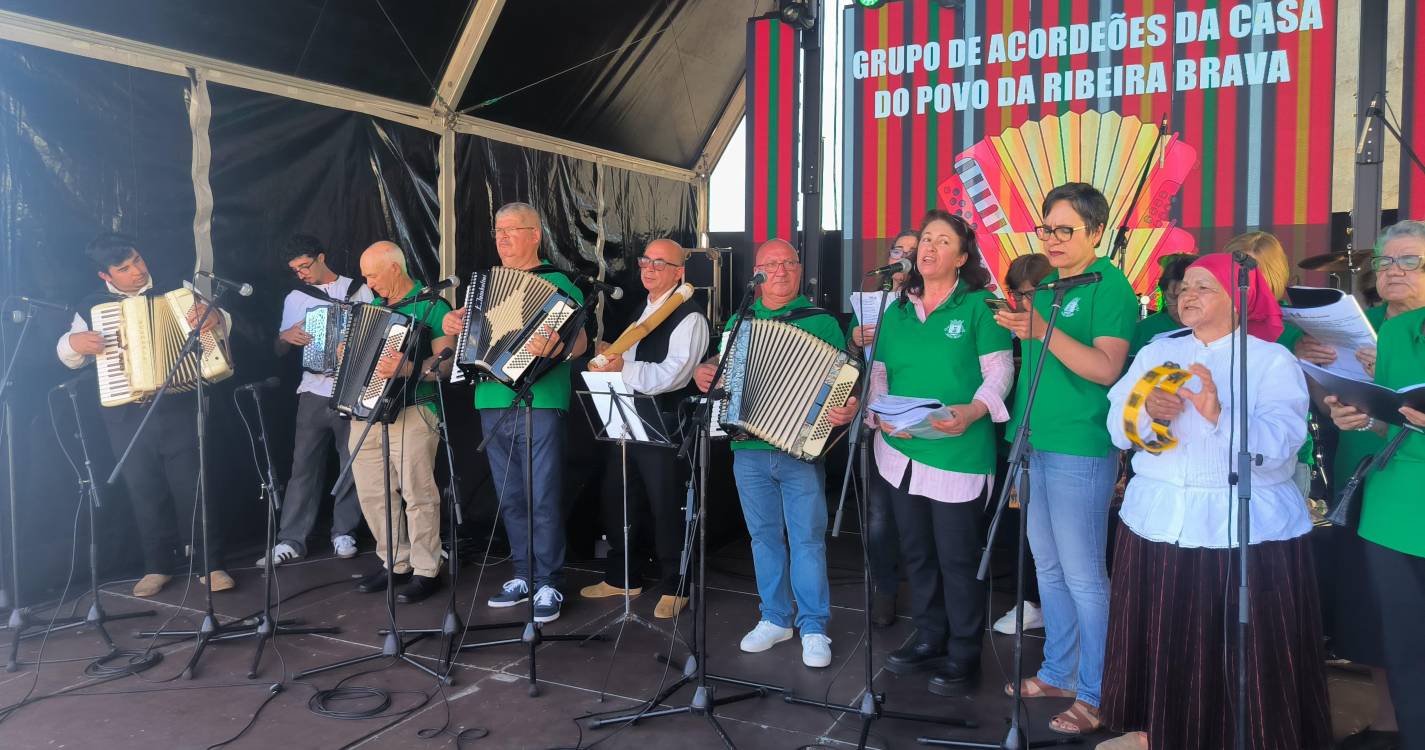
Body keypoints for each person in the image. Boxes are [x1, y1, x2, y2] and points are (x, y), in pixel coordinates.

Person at [1098, 254, 1331, 750]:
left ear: (1239, 298)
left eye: (1204, 287)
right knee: (1165, 638)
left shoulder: (1270, 360)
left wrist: (1217, 412)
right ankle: (1160, 733)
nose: (1187, 295)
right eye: (1185, 286)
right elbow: (1118, 427)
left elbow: (1280, 445)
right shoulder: (1157, 352)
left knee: (1239, 648)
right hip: (1159, 518)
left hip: (1242, 526)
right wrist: (1147, 413)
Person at [992, 182, 1138, 736]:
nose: (1050, 239)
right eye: (1045, 228)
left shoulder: (1111, 287)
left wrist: (1041, 329)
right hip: (1034, 441)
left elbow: (1106, 369)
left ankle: (1098, 692)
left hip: (1080, 445)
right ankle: (1060, 670)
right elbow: (1037, 367)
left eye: (1063, 229)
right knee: (1047, 568)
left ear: (1096, 232)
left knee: (1083, 576)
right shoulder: (1048, 285)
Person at [865, 210, 1012, 694]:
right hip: (900, 450)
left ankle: (965, 650)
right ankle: (929, 636)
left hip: (958, 451)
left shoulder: (978, 305)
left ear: (962, 256)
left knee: (956, 557)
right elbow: (880, 371)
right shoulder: (897, 308)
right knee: (917, 553)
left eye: (942, 241)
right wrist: (880, 414)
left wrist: (973, 410)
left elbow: (999, 372)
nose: (928, 248)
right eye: (924, 239)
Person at [692, 238, 846, 669]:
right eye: (770, 265)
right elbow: (722, 384)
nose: (780, 271)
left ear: (799, 270)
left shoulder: (821, 323)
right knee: (763, 539)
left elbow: (843, 382)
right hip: (749, 448)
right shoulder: (739, 324)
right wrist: (706, 373)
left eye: (788, 263)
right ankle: (776, 618)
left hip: (799, 448)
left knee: (807, 541)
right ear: (756, 274)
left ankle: (813, 626)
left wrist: (844, 406)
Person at [56, 232, 234, 597]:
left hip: (179, 404)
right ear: (106, 277)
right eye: (124, 268)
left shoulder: (175, 289)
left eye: (137, 260)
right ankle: (157, 566)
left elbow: (221, 322)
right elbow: (67, 353)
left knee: (193, 486)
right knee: (144, 488)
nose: (137, 270)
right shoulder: (92, 306)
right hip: (127, 413)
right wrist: (74, 344)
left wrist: (216, 317)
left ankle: (209, 563)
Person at [443, 202, 588, 624]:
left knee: (542, 495)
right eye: (498, 231)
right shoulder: (486, 285)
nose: (502, 238)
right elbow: (471, 340)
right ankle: (524, 574)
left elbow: (581, 344)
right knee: (510, 497)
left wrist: (558, 347)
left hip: (541, 400)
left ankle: (549, 581)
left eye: (512, 230)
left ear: (535, 234)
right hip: (491, 399)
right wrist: (454, 323)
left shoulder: (560, 282)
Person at [1322, 220, 1425, 750]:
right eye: (1385, 261)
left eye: (1409, 261)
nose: (1393, 271)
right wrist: (1361, 418)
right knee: (1405, 652)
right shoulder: (1383, 329)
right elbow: (1397, 419)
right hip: (1390, 509)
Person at [580, 239, 709, 619]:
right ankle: (622, 576)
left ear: (679, 271)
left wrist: (622, 368)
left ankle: (676, 584)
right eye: (645, 262)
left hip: (665, 421)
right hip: (627, 416)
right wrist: (611, 355)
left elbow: (674, 375)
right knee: (619, 497)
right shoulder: (645, 309)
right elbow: (631, 359)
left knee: (666, 504)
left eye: (659, 263)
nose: (649, 269)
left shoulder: (689, 316)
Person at [346, 241, 453, 605]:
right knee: (374, 492)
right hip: (368, 413)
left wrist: (409, 369)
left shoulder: (433, 305)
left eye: (373, 275)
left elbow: (447, 365)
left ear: (395, 267)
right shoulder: (372, 310)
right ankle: (394, 561)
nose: (369, 282)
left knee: (418, 493)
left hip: (415, 409)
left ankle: (427, 569)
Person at [257, 234, 372, 567]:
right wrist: (285, 337)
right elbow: (279, 348)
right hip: (312, 390)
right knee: (303, 466)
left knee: (351, 463)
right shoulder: (296, 296)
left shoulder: (359, 291)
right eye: (295, 269)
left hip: (352, 390)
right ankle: (291, 539)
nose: (301, 274)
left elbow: (374, 334)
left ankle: (344, 532)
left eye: (305, 266)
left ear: (321, 257)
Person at [849, 229, 917, 628]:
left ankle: (928, 593)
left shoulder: (930, 302)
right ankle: (884, 589)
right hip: (880, 417)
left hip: (921, 417)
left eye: (913, 251)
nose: (905, 258)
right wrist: (855, 341)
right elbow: (850, 362)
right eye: (899, 251)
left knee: (919, 516)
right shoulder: (873, 301)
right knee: (879, 516)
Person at [990, 251, 1053, 636]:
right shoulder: (1008, 326)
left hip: (1054, 438)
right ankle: (1029, 600)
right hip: (1016, 437)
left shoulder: (1054, 326)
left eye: (1032, 294)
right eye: (1017, 294)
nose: (1024, 302)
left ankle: (1041, 603)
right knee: (1019, 524)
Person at [1127, 254, 1195, 356]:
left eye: (1188, 298)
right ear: (1163, 293)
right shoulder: (1144, 330)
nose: (1179, 306)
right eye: (1172, 297)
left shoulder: (1221, 330)